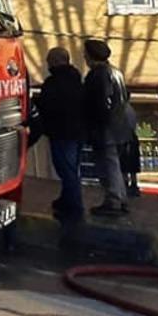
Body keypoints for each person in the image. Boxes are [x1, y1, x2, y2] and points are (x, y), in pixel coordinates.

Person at [33, 46, 85, 221]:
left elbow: (48, 105)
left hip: (62, 133)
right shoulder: (76, 79)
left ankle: (74, 206)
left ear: (55, 61)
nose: (47, 65)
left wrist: (36, 103)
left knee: (66, 170)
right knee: (71, 169)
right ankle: (66, 200)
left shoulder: (54, 82)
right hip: (77, 131)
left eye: (49, 61)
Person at [82, 39, 131, 216]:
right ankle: (120, 198)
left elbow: (100, 104)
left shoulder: (98, 75)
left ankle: (114, 200)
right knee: (114, 164)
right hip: (119, 127)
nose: (84, 57)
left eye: (86, 54)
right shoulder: (116, 72)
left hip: (106, 129)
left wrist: (93, 126)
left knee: (107, 165)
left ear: (91, 56)